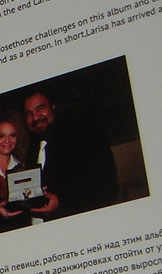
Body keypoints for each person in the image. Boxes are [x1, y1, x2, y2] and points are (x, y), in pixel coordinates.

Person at [22, 90, 118, 219]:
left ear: (53, 106)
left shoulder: (81, 135)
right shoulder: (31, 149)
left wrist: (61, 202)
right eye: (29, 114)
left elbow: (106, 186)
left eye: (40, 108)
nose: (35, 117)